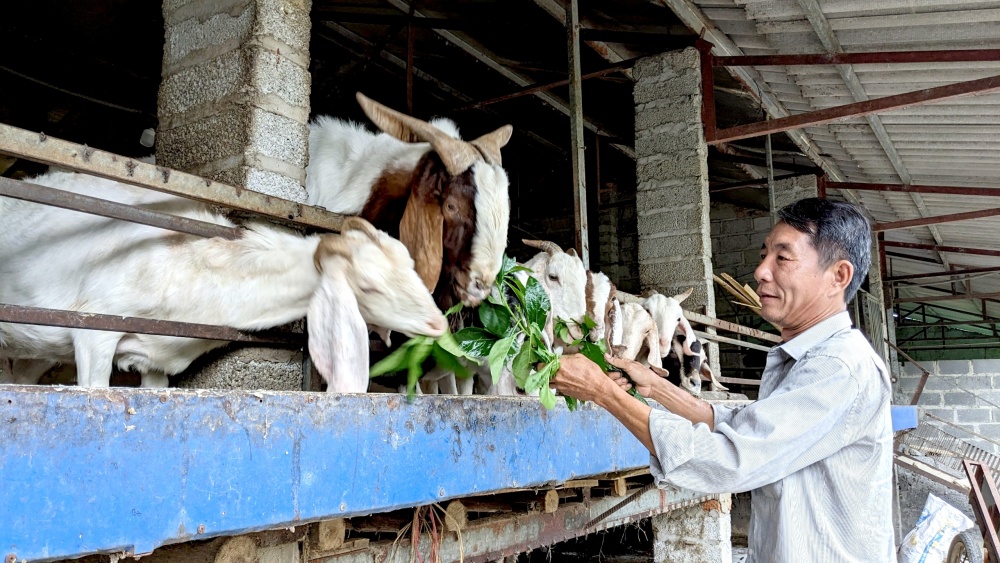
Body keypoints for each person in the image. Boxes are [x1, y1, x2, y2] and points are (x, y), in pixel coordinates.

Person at [551, 198, 894, 562]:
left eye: (782, 257)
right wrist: (657, 388)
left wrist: (603, 392)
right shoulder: (806, 359)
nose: (761, 271)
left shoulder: (839, 368)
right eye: (764, 255)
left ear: (838, 276)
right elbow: (742, 427)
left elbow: (732, 458)